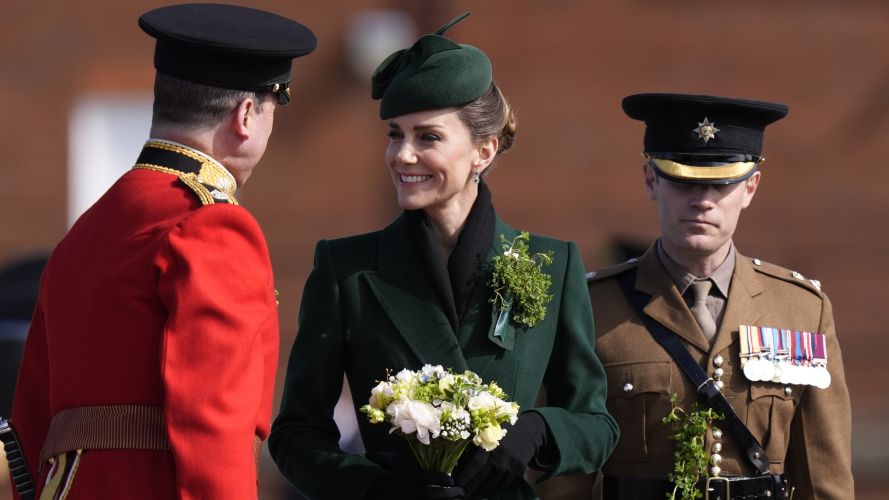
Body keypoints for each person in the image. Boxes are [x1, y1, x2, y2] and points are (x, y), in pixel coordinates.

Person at [268, 13, 618, 500]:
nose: (402, 155)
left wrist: (538, 431)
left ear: (483, 151)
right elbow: (295, 435)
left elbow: (597, 426)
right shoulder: (345, 269)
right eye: (395, 134)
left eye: (428, 137)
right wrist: (376, 489)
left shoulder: (551, 264)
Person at [9, 4, 315, 499]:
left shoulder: (85, 231)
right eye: (271, 110)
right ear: (245, 116)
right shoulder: (212, 224)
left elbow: (28, 420)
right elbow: (214, 423)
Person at [585, 93, 853, 499]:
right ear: (651, 180)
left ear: (750, 188)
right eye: (683, 180)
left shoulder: (800, 310)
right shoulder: (593, 307)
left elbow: (824, 480)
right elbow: (566, 479)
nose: (702, 200)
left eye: (721, 183)